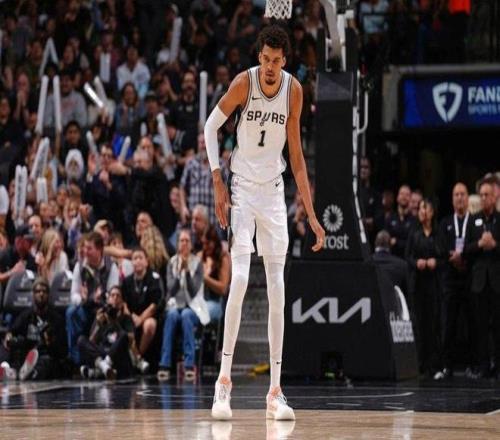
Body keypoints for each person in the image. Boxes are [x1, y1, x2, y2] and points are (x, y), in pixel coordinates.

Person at [204, 25, 324, 420]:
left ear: (285, 61)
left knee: (277, 289)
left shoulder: (293, 91)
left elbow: (297, 157)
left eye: (277, 61)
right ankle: (223, 384)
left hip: (273, 193)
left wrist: (312, 214)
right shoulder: (244, 83)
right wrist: (217, 181)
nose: (271, 67)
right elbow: (209, 127)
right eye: (266, 59)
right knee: (239, 279)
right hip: (241, 187)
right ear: (259, 57)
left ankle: (275, 392)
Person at [157, 229, 209, 382]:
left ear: (191, 244)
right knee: (172, 315)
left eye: (187, 240)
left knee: (186, 315)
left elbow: (193, 291)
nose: (184, 243)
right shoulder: (171, 263)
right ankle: (165, 364)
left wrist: (186, 272)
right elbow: (171, 290)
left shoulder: (198, 263)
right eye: (182, 240)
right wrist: (179, 272)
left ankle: (189, 364)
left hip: (194, 306)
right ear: (178, 244)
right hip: (175, 305)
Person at [435, 183, 474, 380]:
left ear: (468, 198)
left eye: (462, 194)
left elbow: (476, 245)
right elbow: (440, 247)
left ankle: (471, 365)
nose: (459, 198)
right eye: (456, 194)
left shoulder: (474, 222)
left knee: (471, 324)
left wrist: (463, 257)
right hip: (450, 280)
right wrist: (454, 258)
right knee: (448, 325)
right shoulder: (445, 223)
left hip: (469, 279)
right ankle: (447, 366)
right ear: (452, 199)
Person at [464, 178, 500, 378]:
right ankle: (484, 366)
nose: (485, 198)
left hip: (496, 281)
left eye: (488, 194)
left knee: (498, 326)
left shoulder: (499, 219)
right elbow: (466, 249)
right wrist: (479, 244)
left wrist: (494, 245)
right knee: (480, 327)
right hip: (478, 282)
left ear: (494, 197)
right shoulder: (473, 219)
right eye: (482, 195)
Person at [66, 232, 120, 365]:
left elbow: (113, 295)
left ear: (99, 249)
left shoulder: (111, 267)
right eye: (84, 248)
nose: (85, 251)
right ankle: (75, 359)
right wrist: (83, 299)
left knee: (105, 316)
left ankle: (100, 357)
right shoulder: (79, 266)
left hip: (102, 308)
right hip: (85, 307)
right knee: (71, 312)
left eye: (89, 248)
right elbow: (73, 294)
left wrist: (101, 298)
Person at [0, 277, 68, 381]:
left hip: (45, 355)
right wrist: (9, 338)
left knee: (47, 363)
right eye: (38, 291)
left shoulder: (56, 319)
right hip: (27, 355)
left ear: (48, 294)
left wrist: (50, 341)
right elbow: (11, 331)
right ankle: (8, 368)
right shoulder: (26, 315)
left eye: (44, 291)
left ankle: (26, 374)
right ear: (33, 294)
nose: (41, 294)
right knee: (9, 345)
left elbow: (62, 351)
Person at [405, 198, 442, 376]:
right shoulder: (414, 233)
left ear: (432, 212)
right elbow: (408, 257)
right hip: (418, 284)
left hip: (433, 284)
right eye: (420, 208)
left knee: (432, 324)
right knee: (418, 324)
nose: (422, 211)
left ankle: (433, 364)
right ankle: (418, 363)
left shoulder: (438, 233)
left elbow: (444, 256)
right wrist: (416, 262)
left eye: (425, 208)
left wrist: (436, 262)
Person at [77, 285, 136, 379]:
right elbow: (92, 341)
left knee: (124, 335)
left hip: (117, 355)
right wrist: (98, 325)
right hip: (103, 353)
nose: (115, 298)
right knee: (81, 340)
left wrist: (114, 322)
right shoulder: (101, 315)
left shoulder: (126, 317)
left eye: (118, 296)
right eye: (112, 295)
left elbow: (130, 339)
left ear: (122, 302)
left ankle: (99, 371)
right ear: (108, 300)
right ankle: (104, 367)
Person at [121, 248, 163, 359]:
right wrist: (131, 316)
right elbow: (124, 303)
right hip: (131, 316)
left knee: (149, 325)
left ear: (146, 261)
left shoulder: (154, 278)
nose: (138, 261)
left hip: (148, 316)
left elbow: (155, 304)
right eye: (135, 258)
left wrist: (141, 318)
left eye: (140, 258)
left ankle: (138, 356)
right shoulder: (127, 281)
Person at [198, 225, 230, 322]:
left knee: (195, 313)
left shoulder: (223, 258)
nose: (205, 247)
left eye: (208, 243)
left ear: (214, 242)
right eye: (203, 243)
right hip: (199, 301)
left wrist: (205, 278)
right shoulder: (200, 256)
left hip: (216, 302)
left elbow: (223, 289)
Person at [372, 230, 409, 296]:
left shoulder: (365, 263)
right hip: (393, 301)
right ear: (390, 244)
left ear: (375, 243)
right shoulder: (402, 265)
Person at [386, 185, 416, 258]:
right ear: (397, 197)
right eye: (402, 194)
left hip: (407, 259)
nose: (404, 197)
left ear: (410, 199)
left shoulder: (415, 220)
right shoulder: (389, 218)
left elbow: (412, 244)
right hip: (391, 258)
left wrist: (396, 242)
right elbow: (387, 241)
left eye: (407, 195)